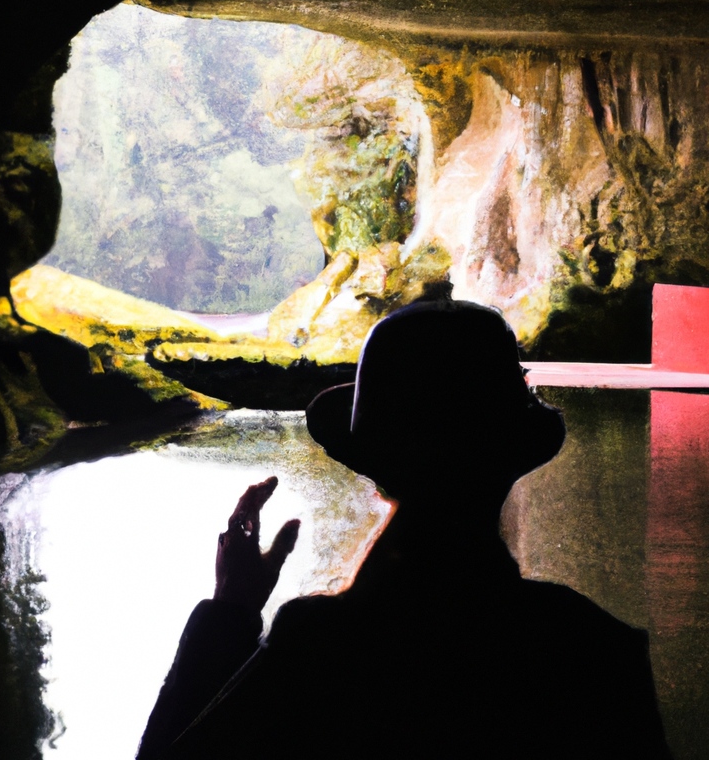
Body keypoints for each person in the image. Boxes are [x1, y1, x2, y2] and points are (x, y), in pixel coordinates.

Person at [137, 283, 670, 759]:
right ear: (512, 457)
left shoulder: (319, 647)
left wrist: (229, 610)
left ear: (378, 473)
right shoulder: (592, 648)